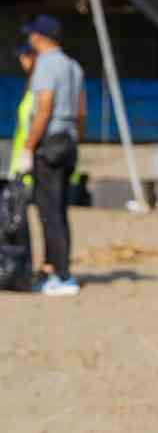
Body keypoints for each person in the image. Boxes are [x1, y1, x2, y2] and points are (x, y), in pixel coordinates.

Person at [17, 15, 84, 297]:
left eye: (31, 35)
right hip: (69, 141)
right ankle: (56, 269)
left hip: (50, 143)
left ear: (39, 37)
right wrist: (76, 141)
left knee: (49, 212)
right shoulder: (73, 66)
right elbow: (81, 112)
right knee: (61, 211)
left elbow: (44, 108)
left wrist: (29, 147)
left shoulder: (45, 64)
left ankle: (61, 275)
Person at [9, 42, 36, 180]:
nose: (21, 60)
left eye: (25, 55)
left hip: (33, 170)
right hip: (22, 169)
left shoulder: (42, 88)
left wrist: (28, 151)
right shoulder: (31, 85)